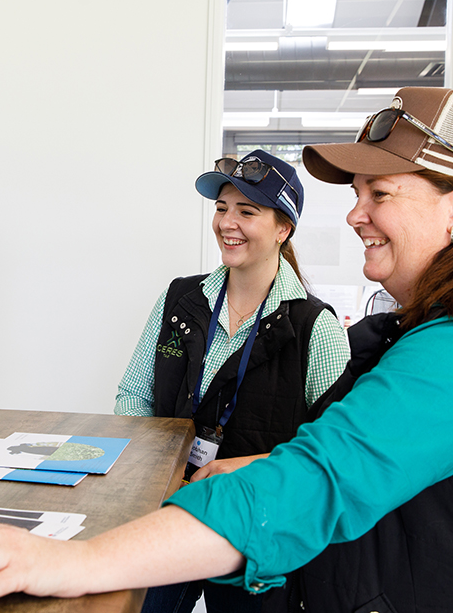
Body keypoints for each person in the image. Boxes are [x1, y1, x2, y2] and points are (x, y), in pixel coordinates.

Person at [0, 87, 453, 613]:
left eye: (380, 193)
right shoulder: (420, 334)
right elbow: (353, 456)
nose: (355, 213)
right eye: (356, 193)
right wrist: (255, 464)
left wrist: (70, 562)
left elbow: (319, 481)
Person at [114, 149, 349, 613]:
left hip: (253, 527)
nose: (227, 222)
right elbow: (134, 396)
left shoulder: (314, 328)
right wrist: (153, 481)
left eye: (247, 210)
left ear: (284, 228)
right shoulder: (179, 300)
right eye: (222, 208)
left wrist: (235, 472)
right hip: (171, 510)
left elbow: (333, 452)